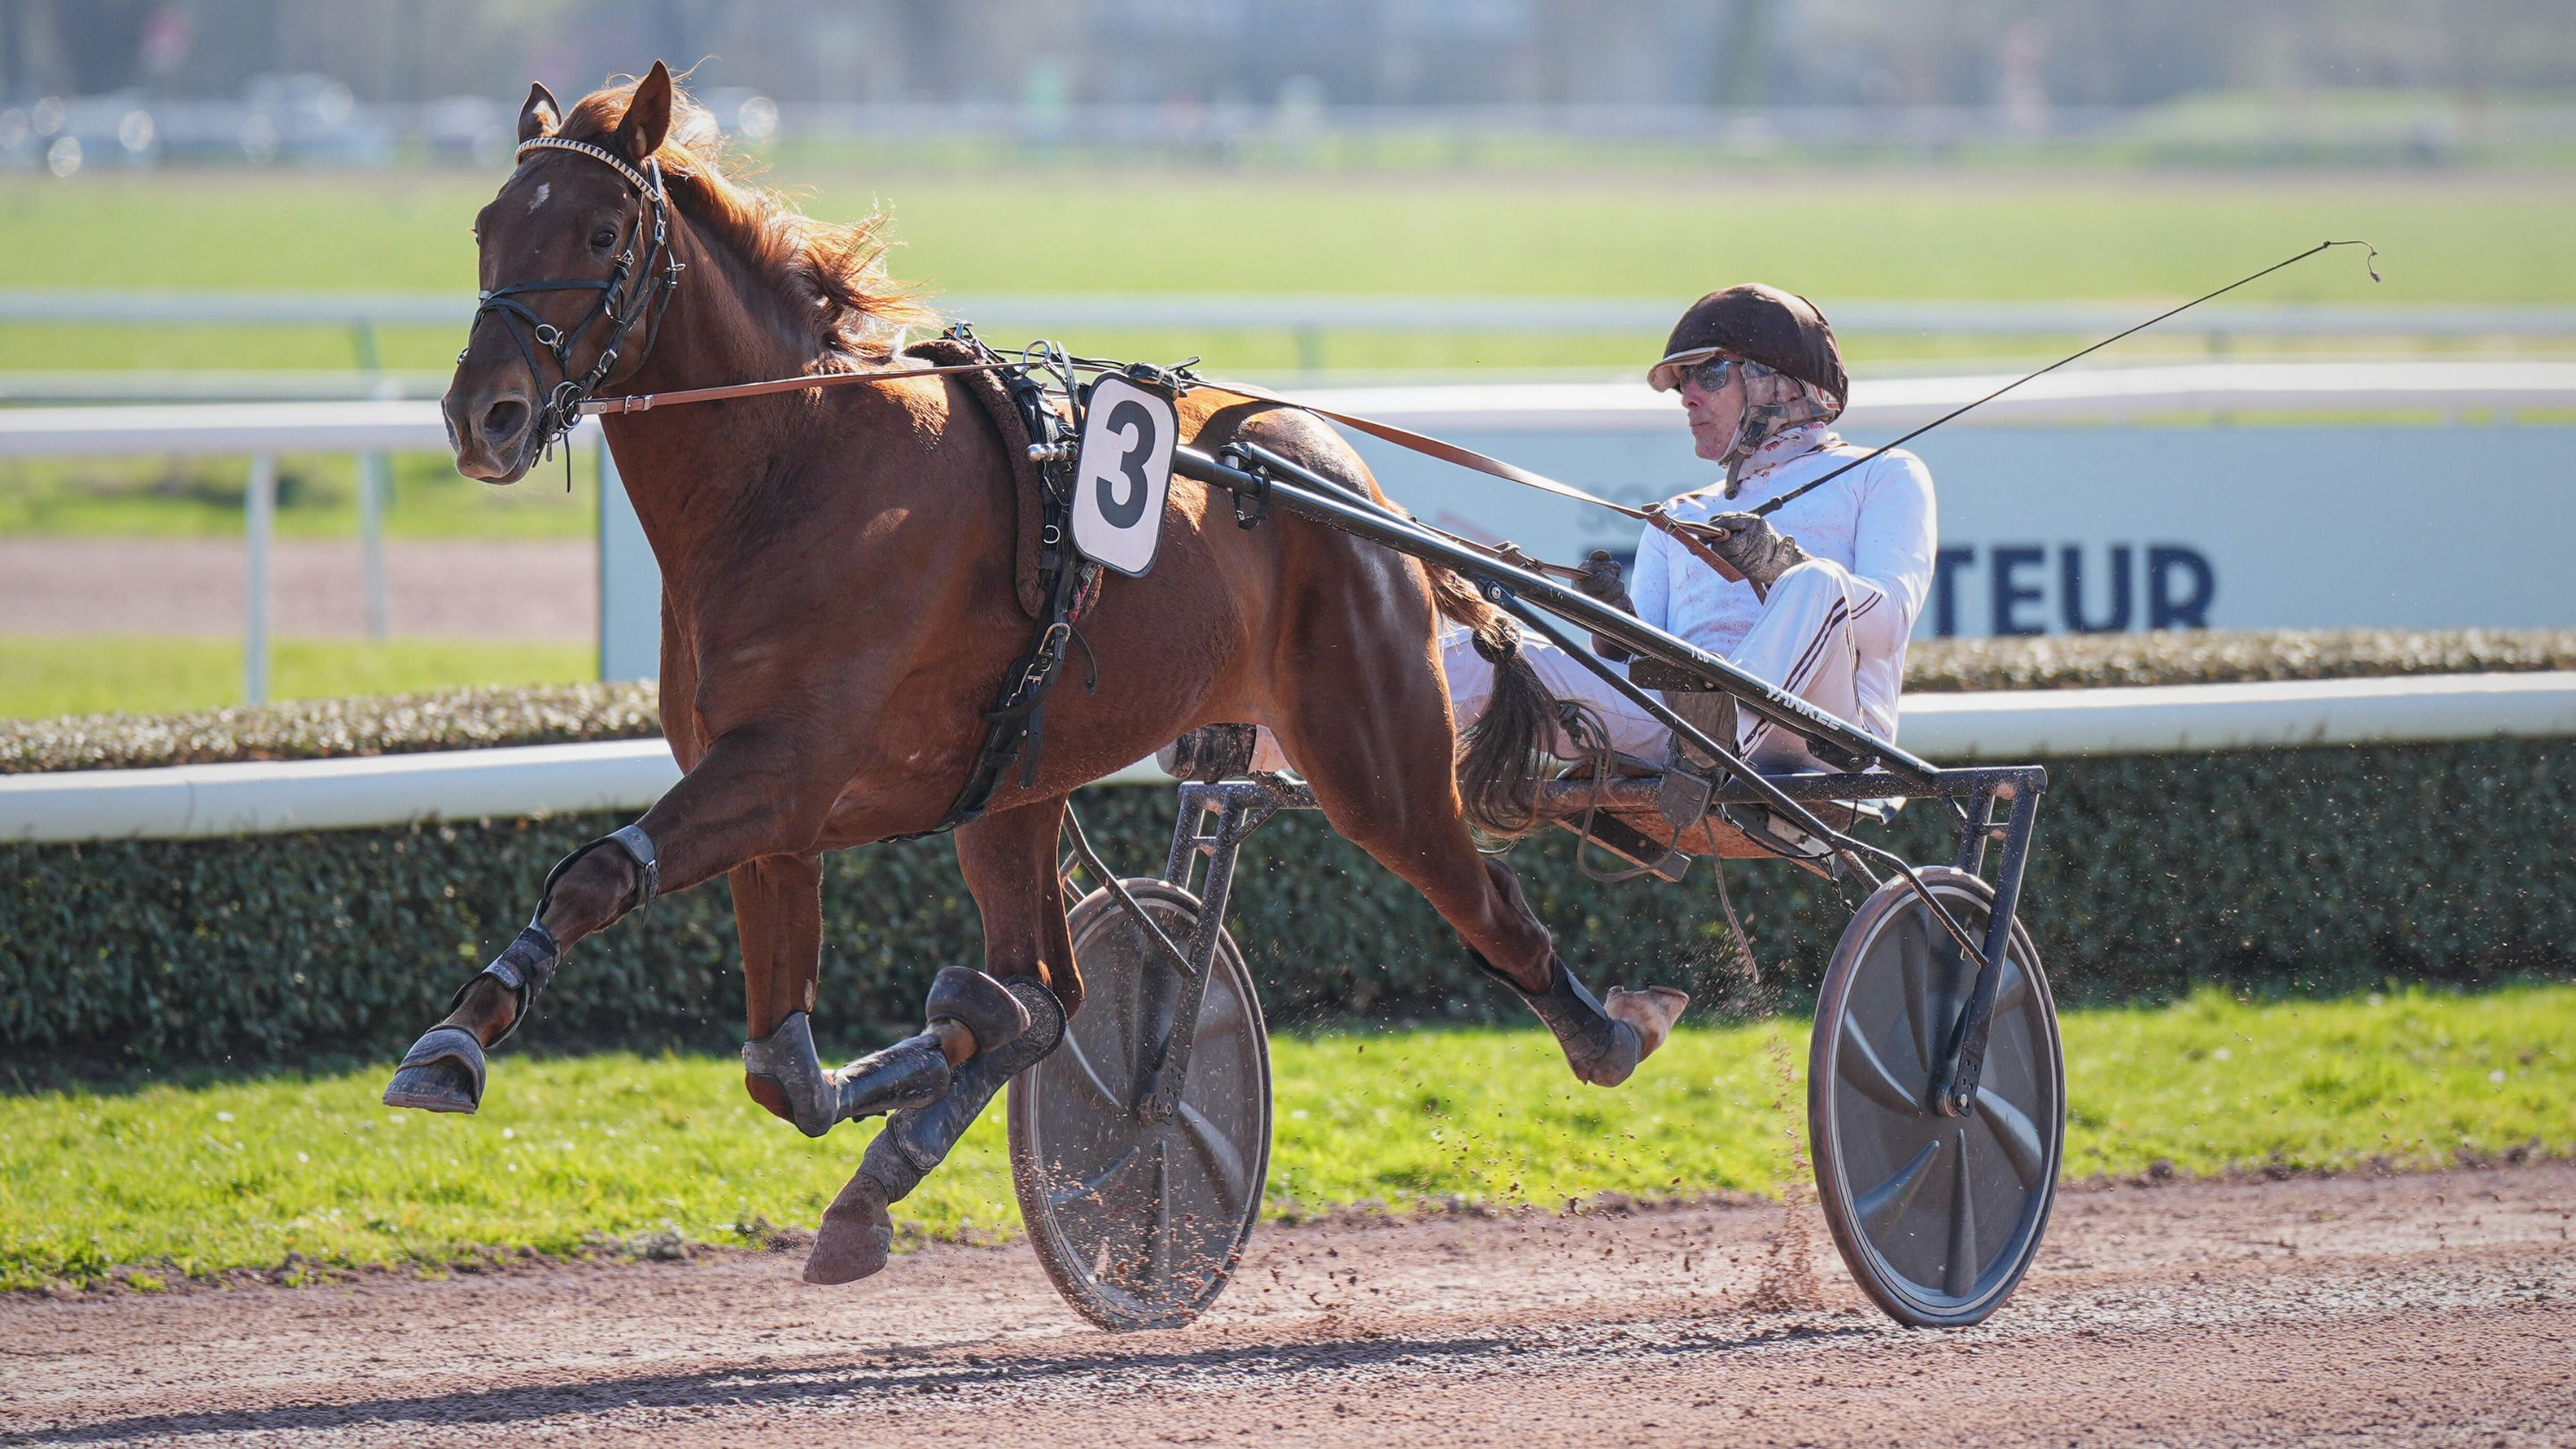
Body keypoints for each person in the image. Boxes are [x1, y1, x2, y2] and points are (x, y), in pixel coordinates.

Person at [1437, 282, 1936, 774]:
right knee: (1471, 651)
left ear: (1776, 382)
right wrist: (1611, 615)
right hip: (1682, 730)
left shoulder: (1885, 473)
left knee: (1816, 581)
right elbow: (1639, 662)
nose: (1687, 398)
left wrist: (1782, 565)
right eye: (1683, 382)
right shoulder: (1678, 515)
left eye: (1710, 373)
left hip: (1828, 737)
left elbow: (1890, 624)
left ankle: (1716, 742)